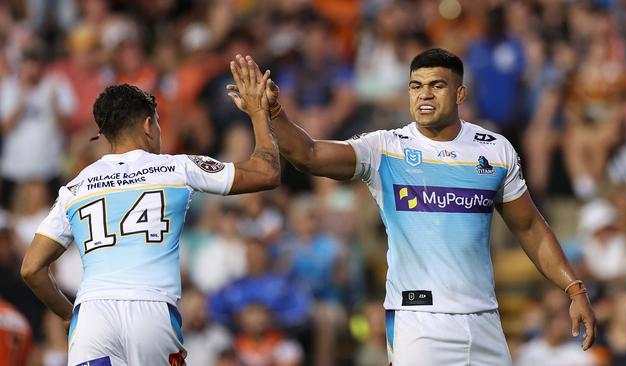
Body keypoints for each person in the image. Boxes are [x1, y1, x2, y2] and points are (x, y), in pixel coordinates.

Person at [228, 49, 596, 365]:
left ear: (460, 92)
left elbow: (530, 227)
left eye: (437, 85)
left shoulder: (494, 149)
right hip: (419, 322)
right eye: (416, 86)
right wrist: (273, 112)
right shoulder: (385, 148)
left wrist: (574, 289)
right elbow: (307, 155)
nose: (425, 94)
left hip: (484, 318)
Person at [20, 57, 280, 365]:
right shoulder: (176, 167)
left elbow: (31, 269)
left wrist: (68, 313)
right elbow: (267, 172)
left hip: (92, 316)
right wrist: (259, 112)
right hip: (152, 310)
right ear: (147, 125)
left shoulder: (75, 187)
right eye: (157, 122)